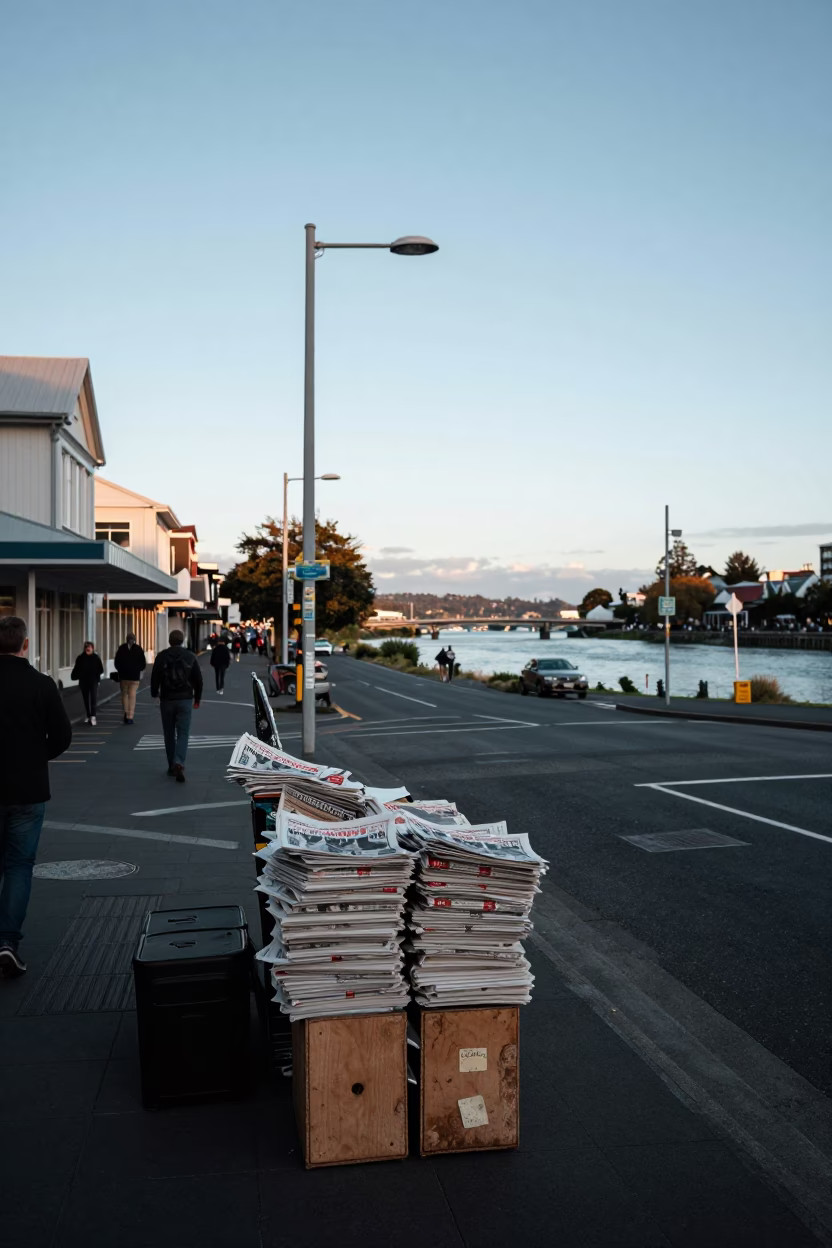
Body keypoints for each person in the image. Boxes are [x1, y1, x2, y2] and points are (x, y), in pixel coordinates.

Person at [0, 616, 72, 976]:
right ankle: (7, 942)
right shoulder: (41, 685)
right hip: (27, 790)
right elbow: (62, 737)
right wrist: (33, 757)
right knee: (17, 866)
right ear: (25, 644)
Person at [150, 629, 203, 783]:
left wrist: (155, 694)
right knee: (183, 733)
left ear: (169, 640)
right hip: (185, 698)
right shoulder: (190, 656)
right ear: (182, 640)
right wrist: (197, 699)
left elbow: (155, 677)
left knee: (168, 733)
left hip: (167, 699)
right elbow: (198, 680)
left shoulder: (161, 657)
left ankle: (171, 765)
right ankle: (179, 760)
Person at [114, 631, 146, 725]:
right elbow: (143, 663)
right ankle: (130, 716)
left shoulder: (121, 648)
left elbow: (117, 662)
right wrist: (138, 669)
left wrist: (120, 670)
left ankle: (126, 713)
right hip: (134, 677)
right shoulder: (139, 649)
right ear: (134, 640)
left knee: (124, 695)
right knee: (132, 696)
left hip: (124, 676)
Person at [71, 640, 104, 725]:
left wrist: (97, 676)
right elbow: (76, 669)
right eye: (86, 647)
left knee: (93, 698)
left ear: (92, 648)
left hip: (93, 681)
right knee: (86, 699)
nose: (87, 649)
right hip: (84, 681)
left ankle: (93, 716)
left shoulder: (96, 658)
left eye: (89, 647)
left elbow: (100, 669)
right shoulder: (81, 658)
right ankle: (88, 715)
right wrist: (76, 675)